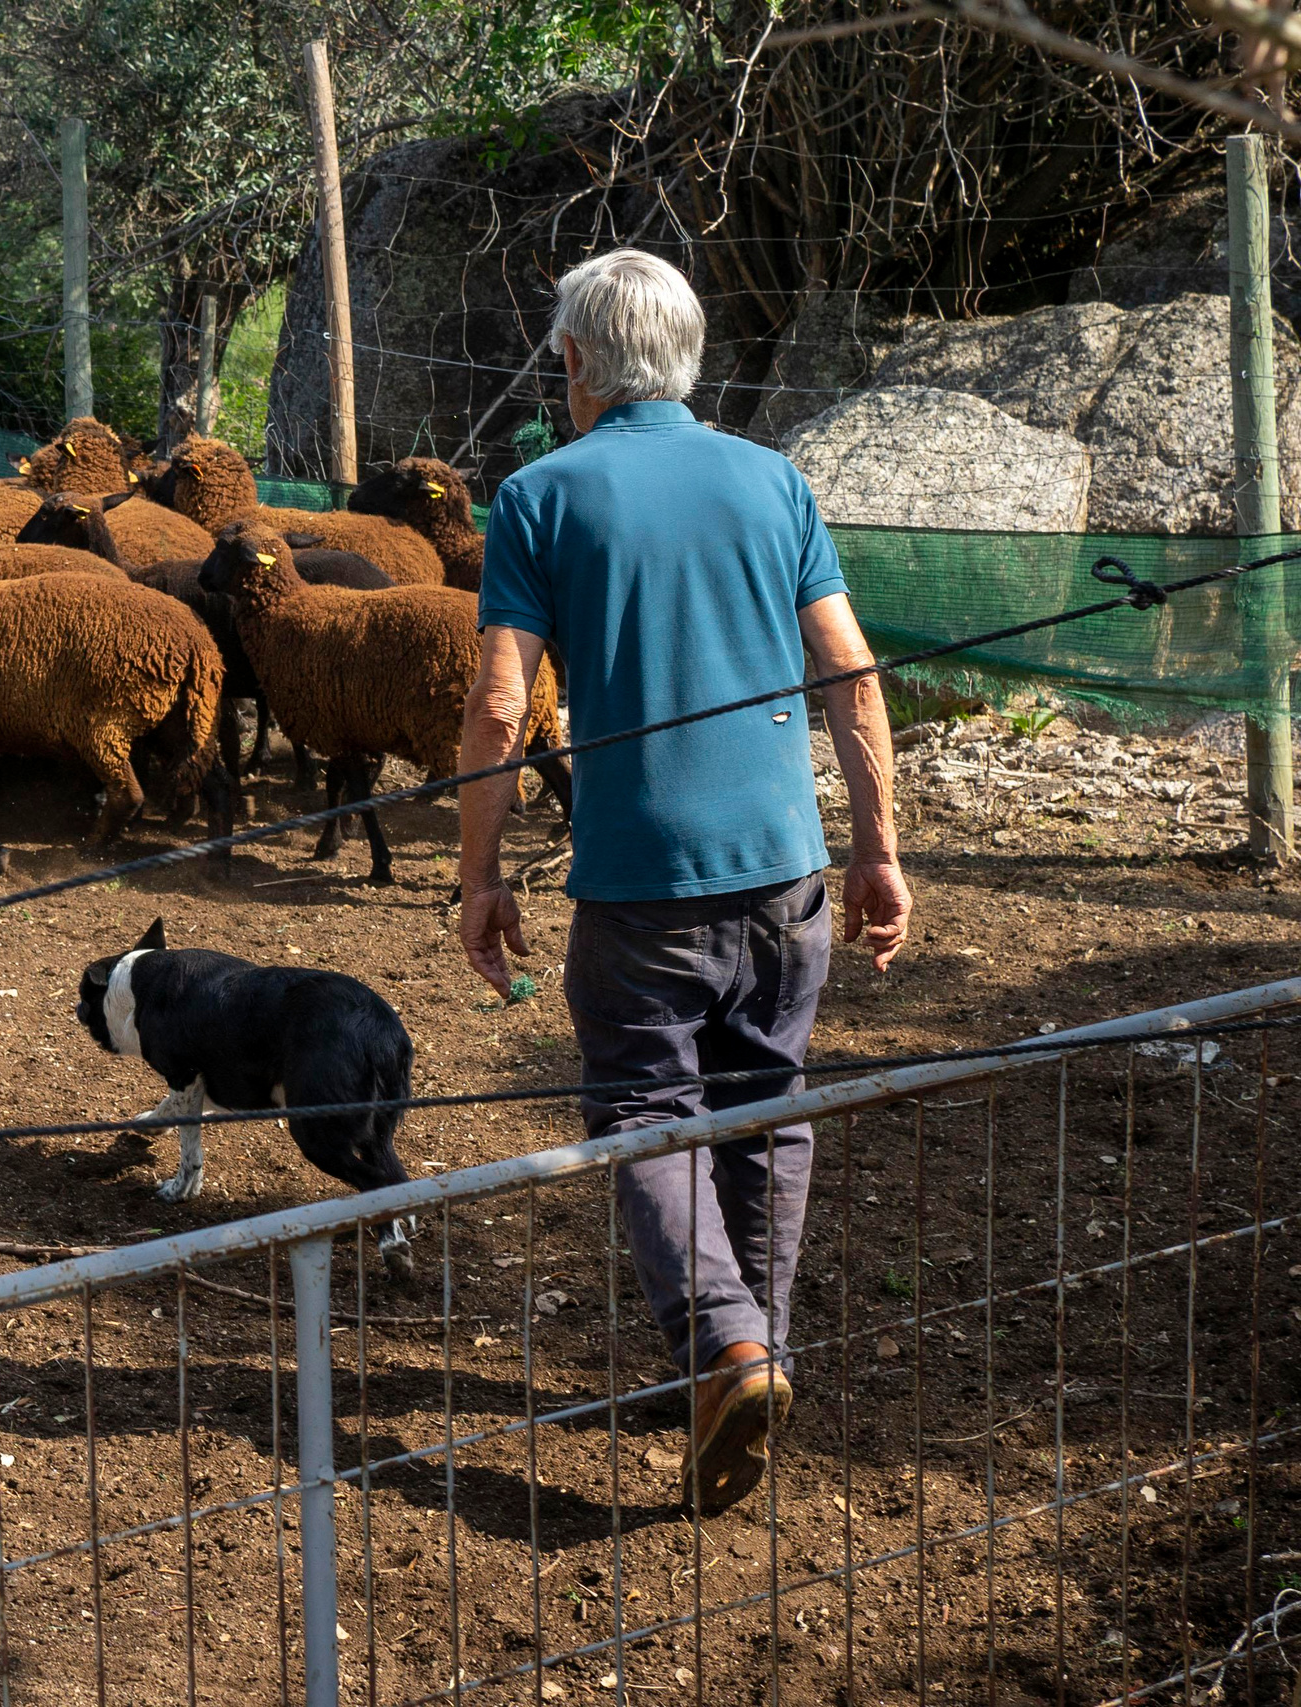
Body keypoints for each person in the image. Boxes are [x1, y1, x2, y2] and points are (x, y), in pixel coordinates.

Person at [454, 248, 912, 1516]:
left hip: (637, 886)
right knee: (765, 1105)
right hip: (786, 877)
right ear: (691, 357)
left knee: (646, 1113)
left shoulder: (540, 496)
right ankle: (743, 1349)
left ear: (575, 361)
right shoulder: (775, 484)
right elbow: (852, 678)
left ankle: (725, 1349)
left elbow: (500, 702)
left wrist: (477, 874)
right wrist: (873, 847)